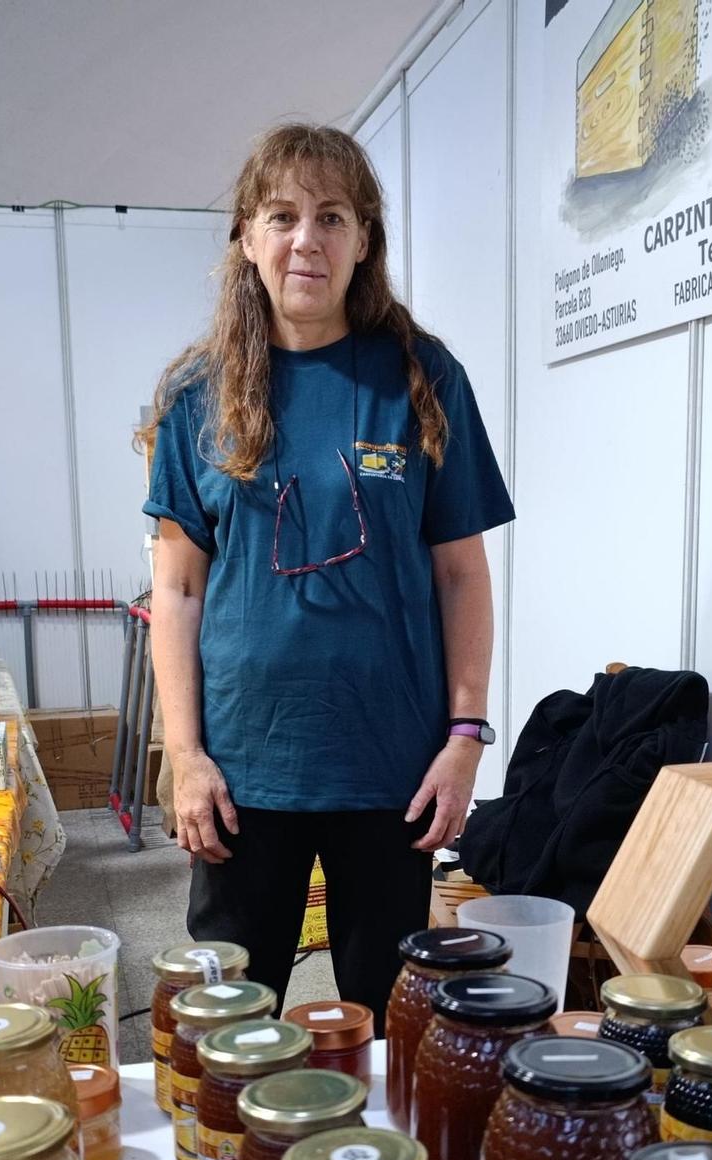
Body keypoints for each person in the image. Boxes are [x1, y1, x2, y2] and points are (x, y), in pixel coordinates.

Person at [143, 124, 514, 1019]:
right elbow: (178, 588)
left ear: (363, 241)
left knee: (391, 1024)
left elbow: (463, 574)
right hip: (245, 771)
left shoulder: (423, 379)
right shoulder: (200, 394)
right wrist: (185, 755)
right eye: (281, 215)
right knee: (227, 1020)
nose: (305, 238)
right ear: (247, 237)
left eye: (331, 216)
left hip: (392, 767)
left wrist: (466, 739)